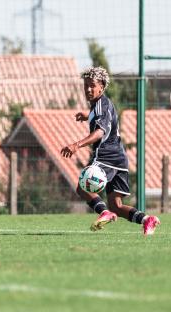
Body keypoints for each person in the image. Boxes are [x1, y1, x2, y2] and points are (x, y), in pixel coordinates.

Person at [60, 66, 160, 235]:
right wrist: (87, 116)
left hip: (106, 155)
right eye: (86, 85)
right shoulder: (101, 105)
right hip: (120, 159)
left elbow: (100, 132)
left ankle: (104, 213)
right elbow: (101, 116)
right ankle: (147, 220)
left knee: (82, 188)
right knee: (117, 205)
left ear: (102, 86)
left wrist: (76, 145)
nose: (88, 89)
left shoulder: (101, 105)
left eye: (92, 85)